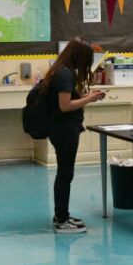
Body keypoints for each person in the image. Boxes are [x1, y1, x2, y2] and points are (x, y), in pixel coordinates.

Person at [39, 37, 105, 233]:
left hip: (62, 128)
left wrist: (86, 97)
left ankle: (62, 214)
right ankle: (61, 220)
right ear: (79, 57)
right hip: (65, 130)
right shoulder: (65, 74)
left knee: (64, 173)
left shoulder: (60, 71)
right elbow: (65, 106)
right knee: (65, 174)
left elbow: (66, 101)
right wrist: (90, 99)